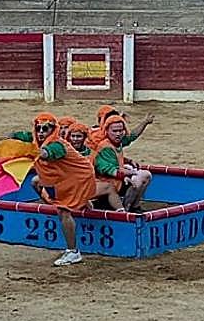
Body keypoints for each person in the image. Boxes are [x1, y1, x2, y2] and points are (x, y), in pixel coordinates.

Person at [26, 113, 96, 267]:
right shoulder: (37, 140)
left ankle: (73, 251)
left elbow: (46, 154)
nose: (41, 132)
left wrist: (27, 151)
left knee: (63, 211)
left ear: (53, 130)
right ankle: (84, 205)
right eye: (38, 128)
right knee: (36, 183)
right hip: (63, 177)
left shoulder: (57, 145)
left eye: (45, 129)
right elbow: (20, 136)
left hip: (77, 178)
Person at [90, 113, 154, 211]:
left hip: (116, 179)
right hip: (108, 183)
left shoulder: (117, 141)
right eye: (115, 131)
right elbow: (108, 169)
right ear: (106, 131)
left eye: (120, 131)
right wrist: (128, 174)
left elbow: (132, 136)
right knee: (141, 176)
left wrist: (144, 122)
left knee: (144, 174)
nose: (118, 134)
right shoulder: (105, 146)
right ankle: (127, 208)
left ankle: (134, 206)